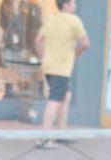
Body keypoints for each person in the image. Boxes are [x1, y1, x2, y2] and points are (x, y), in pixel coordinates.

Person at [34, 0, 88, 145]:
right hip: (61, 68)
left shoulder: (51, 19)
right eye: (73, 3)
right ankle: (44, 138)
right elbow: (85, 43)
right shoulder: (74, 21)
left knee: (66, 96)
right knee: (54, 100)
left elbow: (38, 40)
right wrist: (78, 52)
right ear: (66, 5)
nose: (75, 5)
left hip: (49, 66)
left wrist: (41, 57)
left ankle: (61, 133)